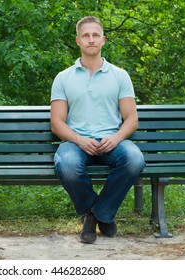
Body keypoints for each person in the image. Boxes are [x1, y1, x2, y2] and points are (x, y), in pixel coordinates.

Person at [50, 16, 146, 244]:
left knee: (134, 159)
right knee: (67, 164)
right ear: (78, 41)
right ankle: (99, 213)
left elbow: (131, 119)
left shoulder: (119, 75)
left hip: (112, 142)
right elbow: (57, 123)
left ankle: (96, 214)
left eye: (95, 35)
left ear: (103, 40)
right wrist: (80, 140)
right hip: (76, 143)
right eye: (86, 35)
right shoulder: (63, 78)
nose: (90, 40)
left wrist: (116, 138)